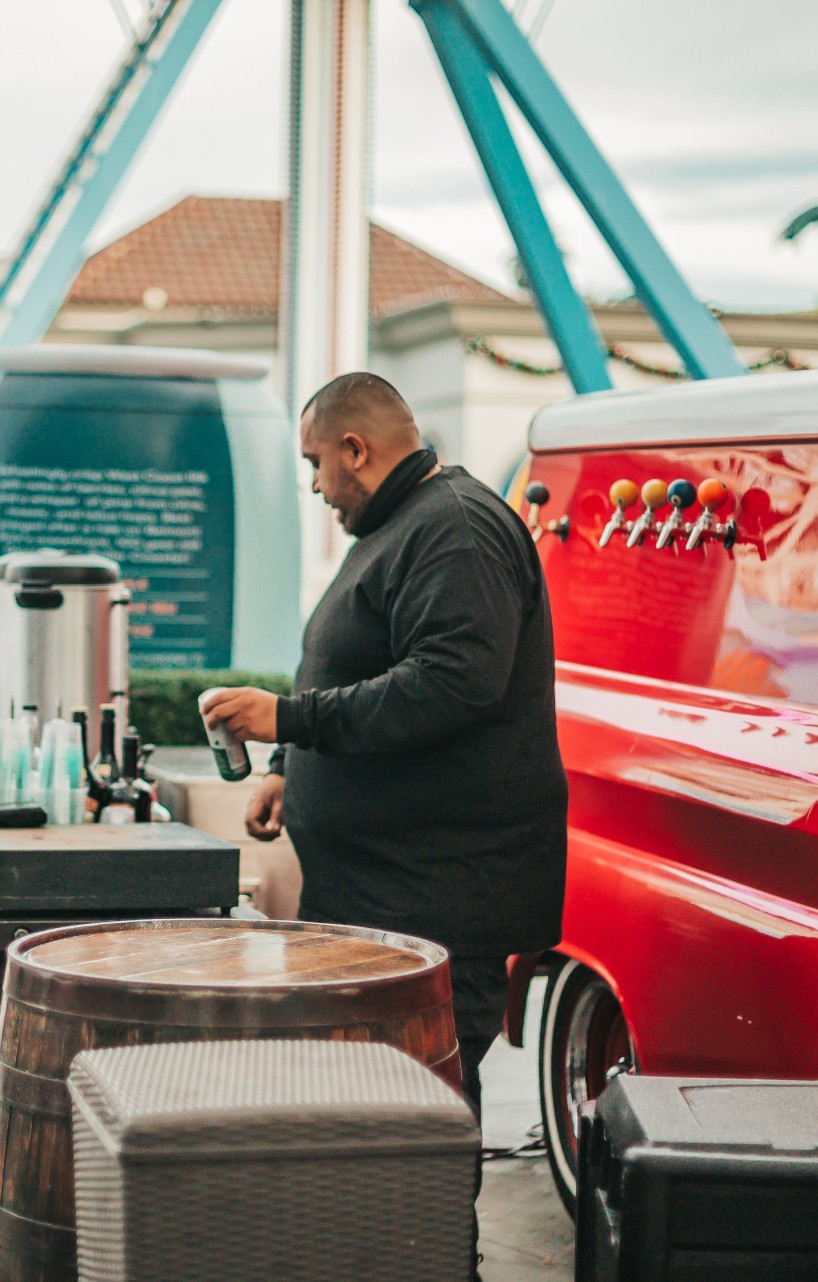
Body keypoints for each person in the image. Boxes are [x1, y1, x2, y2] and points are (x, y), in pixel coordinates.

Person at [202, 372, 568, 1121]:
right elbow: (360, 664)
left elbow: (452, 684)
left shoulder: (456, 529)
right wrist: (287, 768)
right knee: (363, 1124)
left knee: (414, 1126)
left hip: (437, 906)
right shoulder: (402, 528)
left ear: (355, 449)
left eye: (314, 464)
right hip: (379, 896)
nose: (314, 486)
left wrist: (293, 722)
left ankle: (431, 1247)